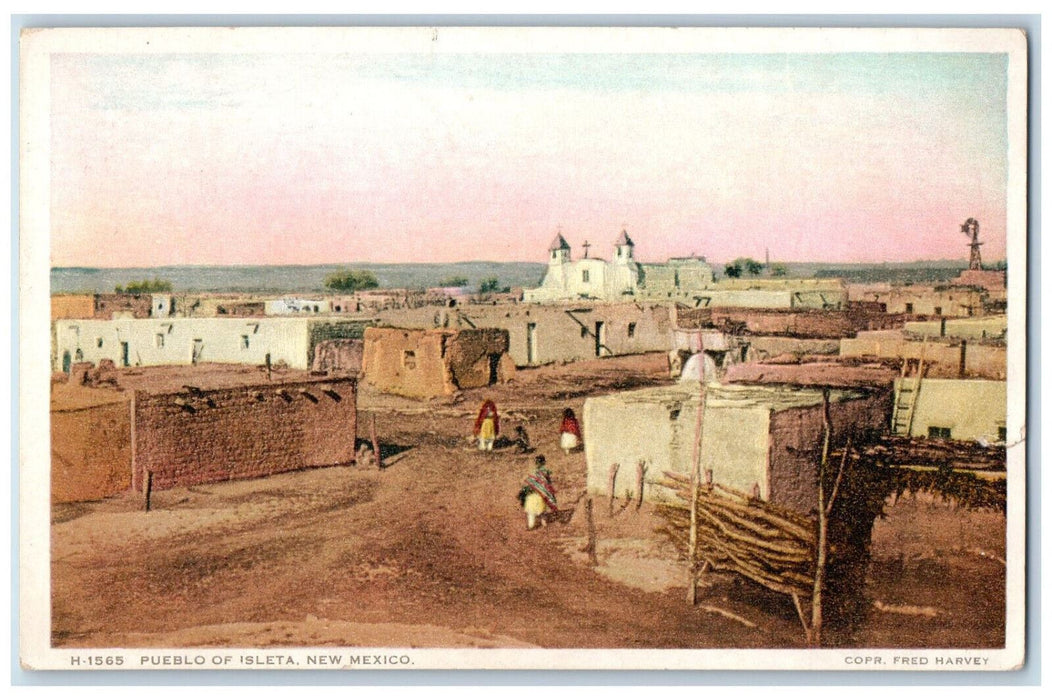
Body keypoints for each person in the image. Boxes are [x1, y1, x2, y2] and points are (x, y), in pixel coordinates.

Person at [517, 455, 557, 530]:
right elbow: (548, 483)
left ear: (535, 462)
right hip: (541, 495)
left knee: (531, 513)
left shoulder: (532, 472)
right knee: (542, 512)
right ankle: (544, 524)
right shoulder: (545, 472)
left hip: (531, 495)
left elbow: (524, 481)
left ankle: (531, 526)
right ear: (544, 462)